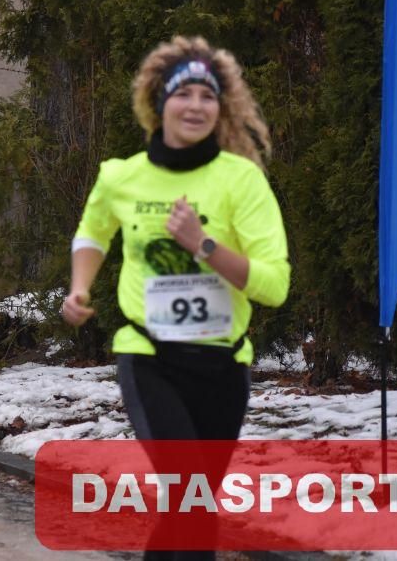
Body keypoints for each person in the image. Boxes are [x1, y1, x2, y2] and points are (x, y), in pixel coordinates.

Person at [61, 35, 289, 559]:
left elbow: (274, 285)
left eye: (207, 96)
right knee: (189, 493)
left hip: (224, 365)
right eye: (183, 93)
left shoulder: (242, 181)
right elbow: (93, 232)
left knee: (191, 506)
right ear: (159, 102)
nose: (195, 106)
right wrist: (80, 286)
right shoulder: (122, 177)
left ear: (221, 108)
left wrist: (203, 245)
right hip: (150, 358)